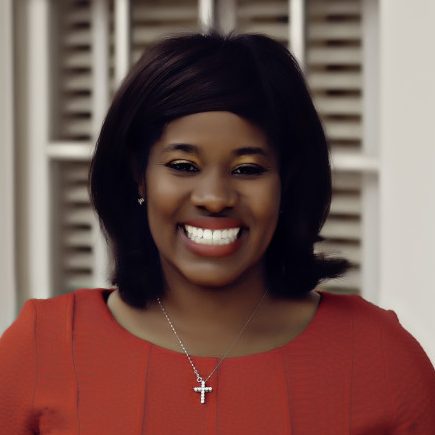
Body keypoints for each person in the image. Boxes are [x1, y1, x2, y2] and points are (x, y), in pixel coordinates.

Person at [1, 31, 434, 434]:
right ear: (138, 175)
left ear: (288, 181)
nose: (214, 197)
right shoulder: (41, 348)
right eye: (183, 166)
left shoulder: (382, 359)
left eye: (248, 169)